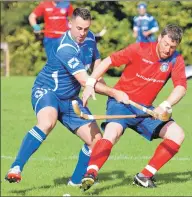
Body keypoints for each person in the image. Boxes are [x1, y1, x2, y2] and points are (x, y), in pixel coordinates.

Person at [5, 8, 129, 185]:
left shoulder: (90, 38)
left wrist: (99, 83)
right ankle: (16, 168)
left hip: (70, 98)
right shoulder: (65, 48)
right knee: (48, 121)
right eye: (78, 28)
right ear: (69, 24)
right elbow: (85, 79)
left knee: (96, 140)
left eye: (86, 29)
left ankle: (76, 181)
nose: (82, 33)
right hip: (48, 91)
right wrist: (115, 93)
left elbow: (96, 64)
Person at [80, 24, 187, 190]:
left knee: (177, 134)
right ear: (159, 38)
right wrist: (90, 83)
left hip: (146, 110)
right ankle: (91, 173)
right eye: (165, 44)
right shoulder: (139, 49)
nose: (167, 49)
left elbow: (181, 87)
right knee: (112, 132)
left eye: (172, 47)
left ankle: (144, 176)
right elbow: (109, 61)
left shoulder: (176, 59)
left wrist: (165, 105)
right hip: (121, 103)